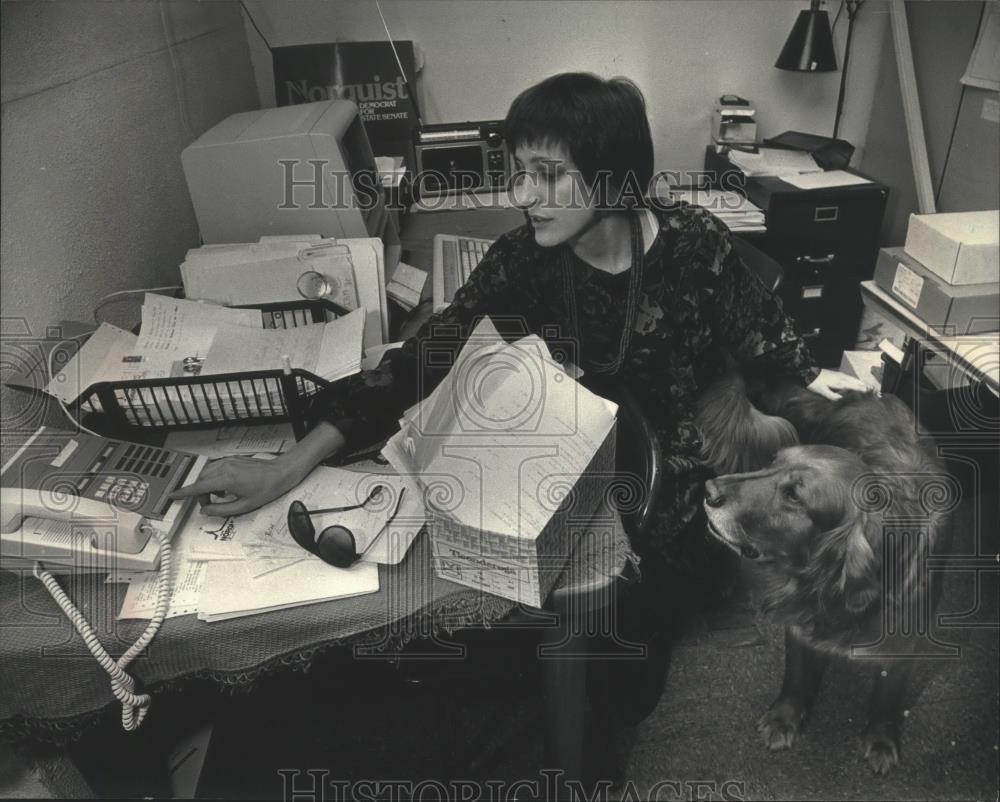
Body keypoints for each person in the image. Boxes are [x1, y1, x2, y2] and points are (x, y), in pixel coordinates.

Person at [172, 72, 865, 663]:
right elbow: (423, 361)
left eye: (548, 176)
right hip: (562, 450)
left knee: (619, 638)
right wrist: (286, 467)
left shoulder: (695, 245)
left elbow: (772, 349)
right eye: (518, 173)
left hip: (671, 475)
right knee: (452, 559)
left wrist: (824, 396)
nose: (523, 195)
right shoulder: (524, 261)